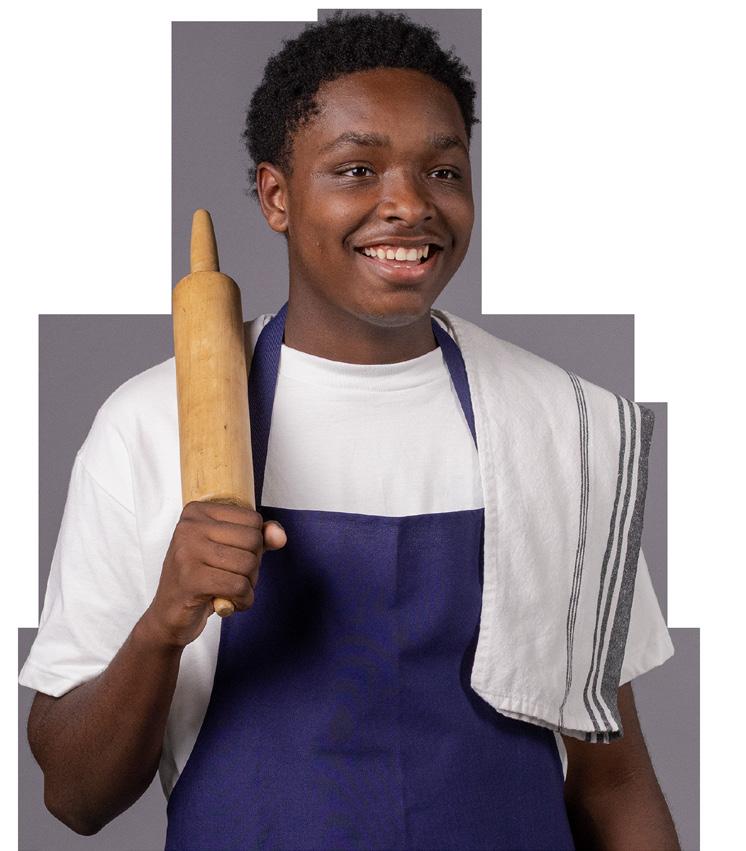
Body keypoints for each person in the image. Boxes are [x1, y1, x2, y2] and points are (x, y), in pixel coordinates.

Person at [20, 11, 680, 850]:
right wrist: (165, 621)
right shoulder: (152, 424)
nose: (409, 204)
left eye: (444, 170)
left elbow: (614, 786)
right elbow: (76, 796)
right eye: (357, 169)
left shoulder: (562, 430)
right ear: (277, 196)